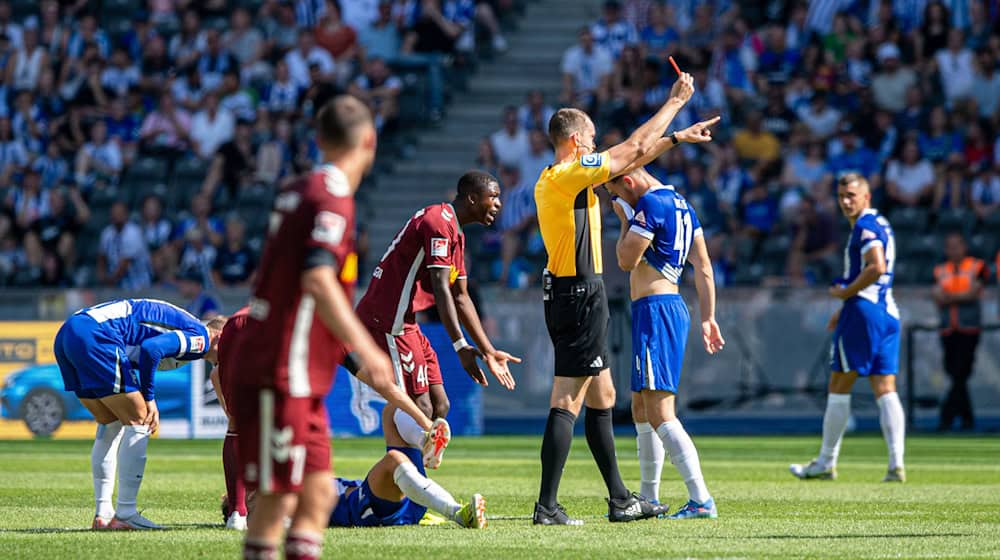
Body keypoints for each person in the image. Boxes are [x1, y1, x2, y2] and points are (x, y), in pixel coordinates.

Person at [531, 67, 717, 525]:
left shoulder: (562, 178)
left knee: (605, 394)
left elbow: (632, 161)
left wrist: (676, 139)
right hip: (577, 294)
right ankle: (548, 506)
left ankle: (621, 499)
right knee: (567, 399)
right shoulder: (569, 174)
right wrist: (675, 103)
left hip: (576, 293)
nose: (596, 146)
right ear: (575, 140)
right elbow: (631, 151)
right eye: (591, 138)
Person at [225, 95, 397, 560]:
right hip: (283, 369)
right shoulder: (332, 198)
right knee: (277, 499)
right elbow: (317, 277)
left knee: (318, 493)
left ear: (319, 140)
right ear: (369, 140)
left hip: (294, 368)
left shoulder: (299, 188)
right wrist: (369, 351)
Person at [210, 308, 446, 531]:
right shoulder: (330, 332)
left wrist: (428, 428)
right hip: (367, 504)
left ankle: (237, 512)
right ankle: (239, 511)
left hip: (256, 324)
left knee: (241, 426)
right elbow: (384, 385)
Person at [355, 170, 519, 452]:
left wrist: (488, 350)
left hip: (405, 321)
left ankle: (410, 472)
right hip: (387, 320)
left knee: (440, 405)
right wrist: (460, 346)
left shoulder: (456, 233)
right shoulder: (438, 222)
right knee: (420, 406)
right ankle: (407, 486)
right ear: (471, 198)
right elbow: (442, 290)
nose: (498, 204)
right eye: (492, 197)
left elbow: (461, 297)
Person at [607, 161, 724, 519]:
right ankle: (649, 498)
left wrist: (624, 216)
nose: (616, 198)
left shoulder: (650, 204)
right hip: (664, 308)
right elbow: (703, 266)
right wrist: (708, 316)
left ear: (628, 180)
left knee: (659, 411)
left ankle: (701, 498)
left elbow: (626, 260)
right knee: (641, 406)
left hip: (656, 310)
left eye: (616, 191)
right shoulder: (682, 205)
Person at [53, 299, 225, 530]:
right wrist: (149, 397)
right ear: (222, 336)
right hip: (96, 334)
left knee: (110, 422)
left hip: (69, 332)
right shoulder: (202, 338)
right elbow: (151, 350)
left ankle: (103, 514)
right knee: (141, 419)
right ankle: (125, 512)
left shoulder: (190, 329)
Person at [790, 172, 906, 483]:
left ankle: (826, 461)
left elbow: (876, 266)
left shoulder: (865, 227)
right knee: (885, 388)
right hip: (887, 313)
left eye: (851, 195)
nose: (845, 201)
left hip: (864, 312)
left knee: (839, 385)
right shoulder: (880, 222)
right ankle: (896, 463)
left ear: (866, 196)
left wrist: (845, 294)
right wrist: (844, 308)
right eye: (841, 196)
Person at [932, 233, 988, 431]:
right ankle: (967, 418)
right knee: (955, 373)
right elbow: (937, 295)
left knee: (960, 371)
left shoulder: (977, 266)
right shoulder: (940, 269)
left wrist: (951, 297)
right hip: (948, 328)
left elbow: (973, 293)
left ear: (964, 247)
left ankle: (946, 416)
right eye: (949, 246)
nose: (953, 250)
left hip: (969, 327)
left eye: (956, 246)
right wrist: (959, 296)